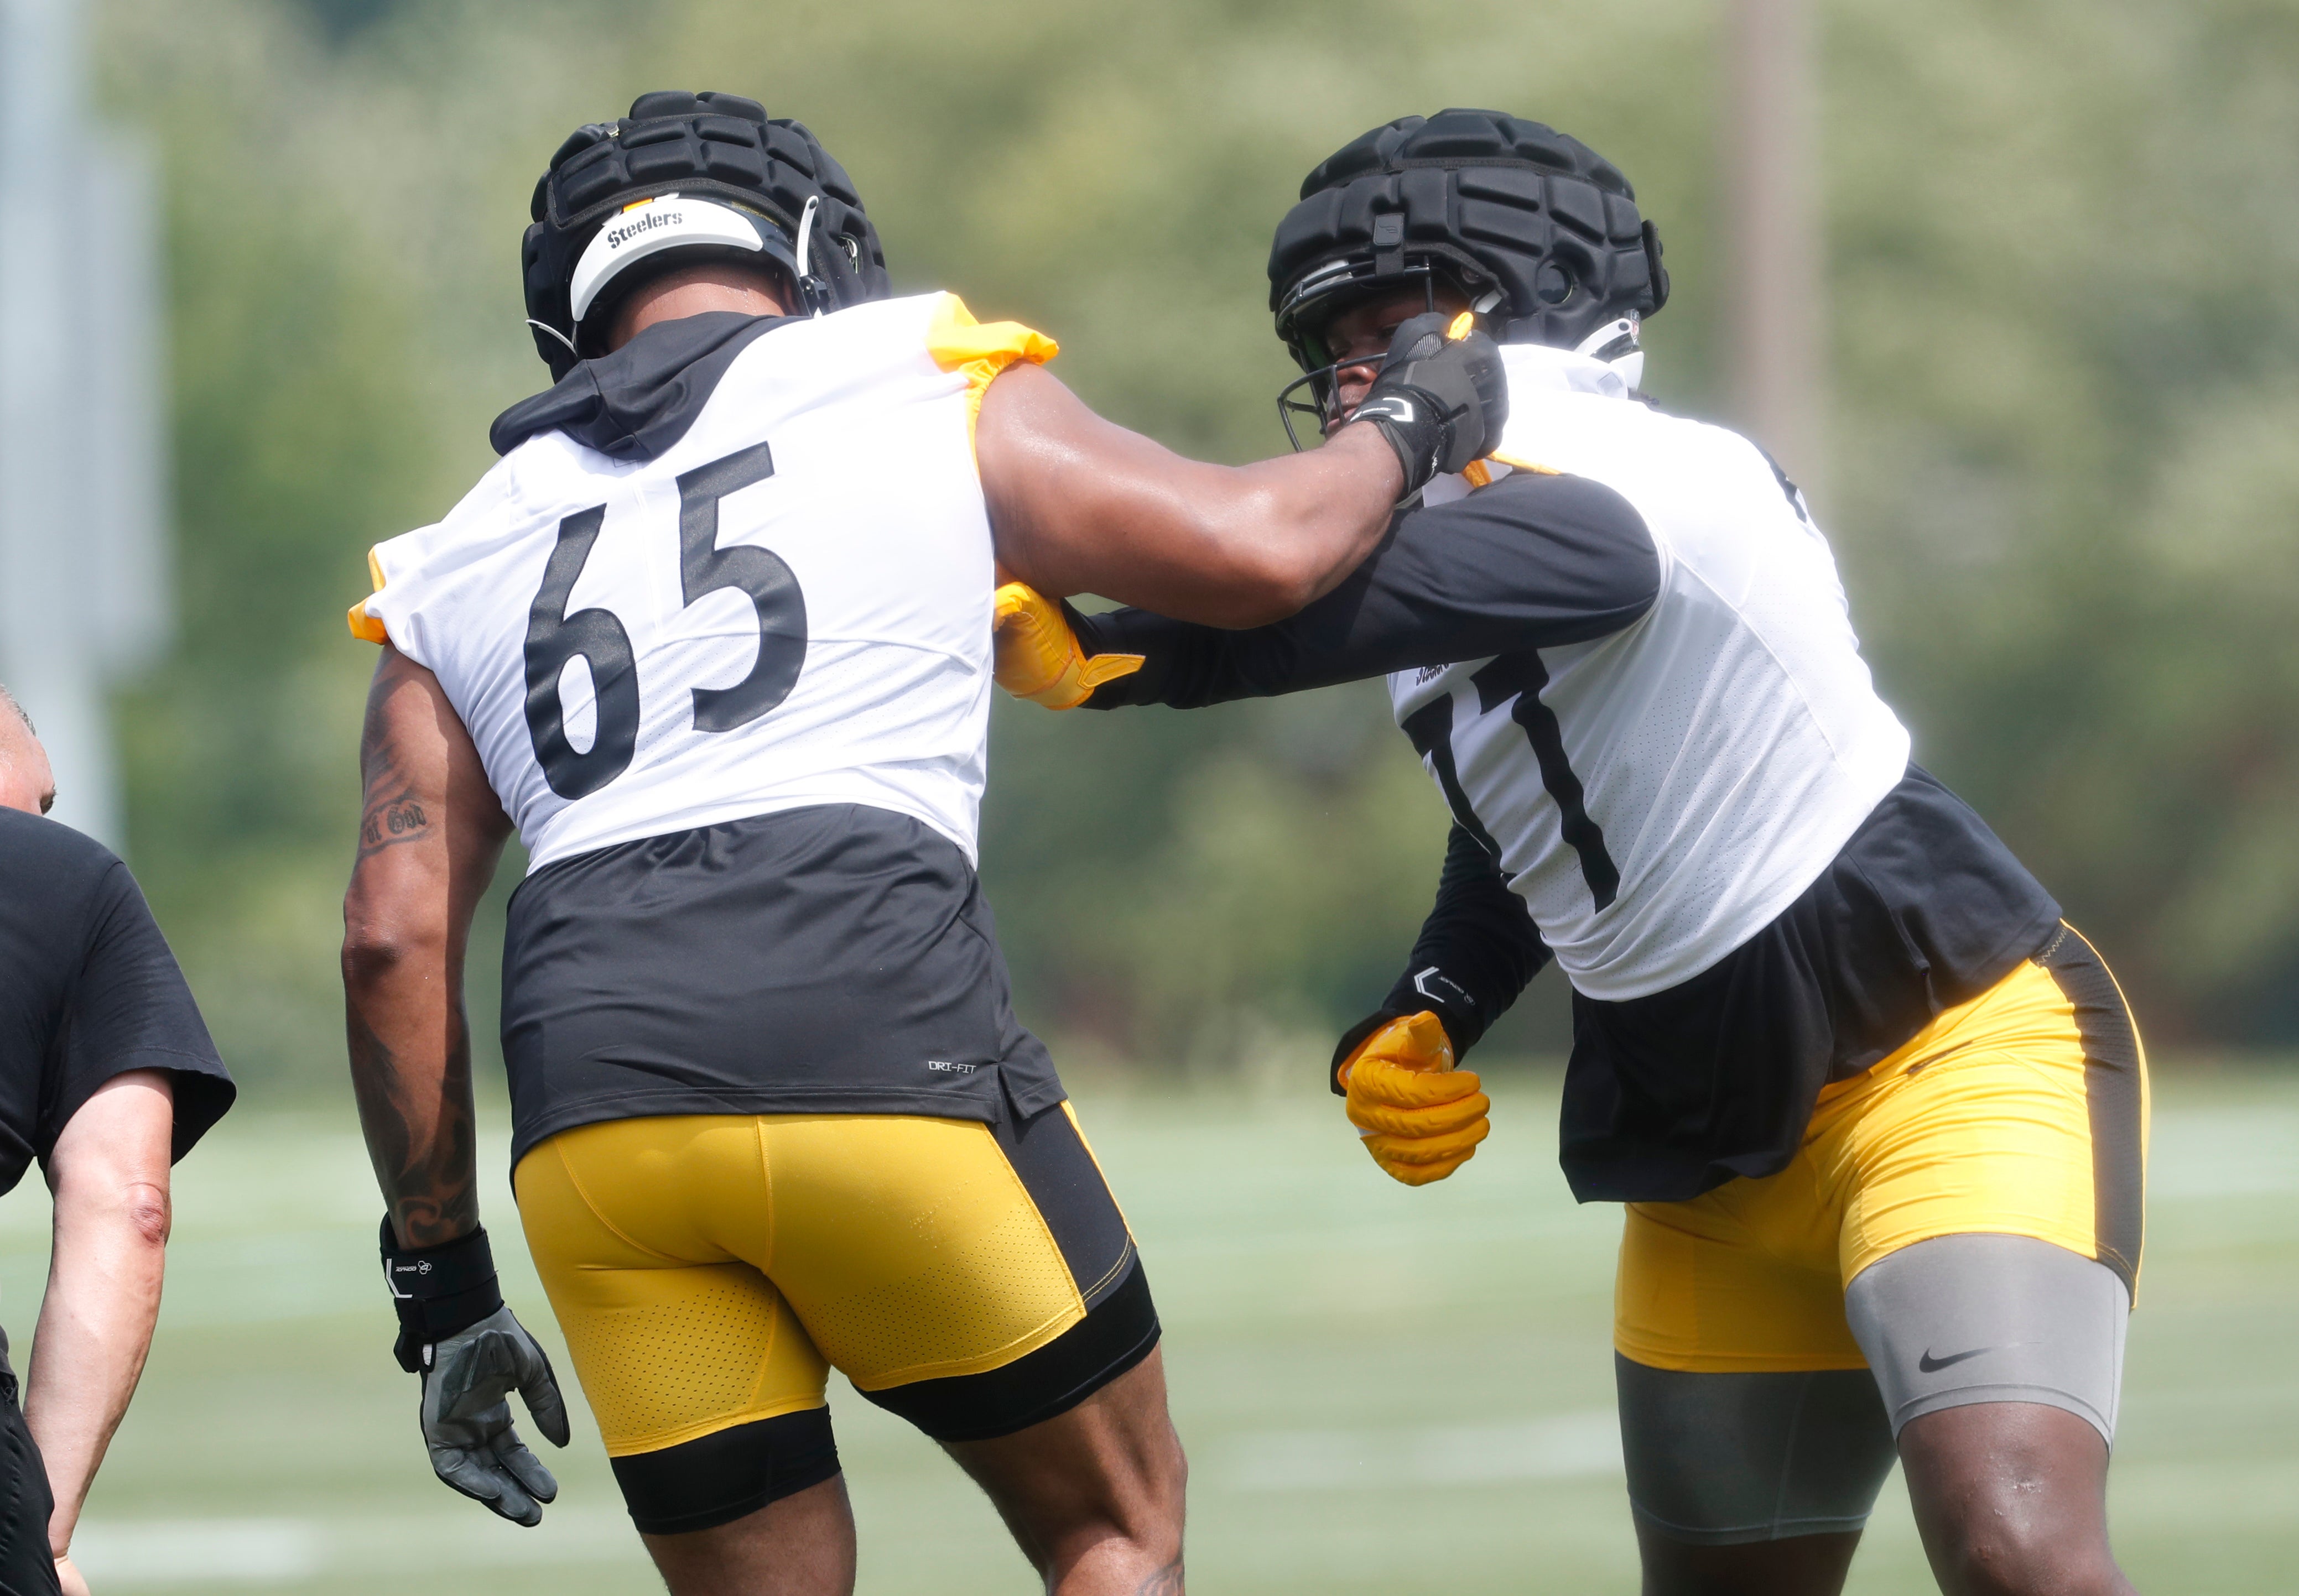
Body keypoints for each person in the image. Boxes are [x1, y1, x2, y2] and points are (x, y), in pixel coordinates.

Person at [337, 90, 1503, 1595]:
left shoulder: (457, 549)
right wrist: (1409, 420)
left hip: (598, 1109)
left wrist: (441, 1284)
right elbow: (1251, 549)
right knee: (1114, 1527)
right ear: (818, 253)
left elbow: (390, 929)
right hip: (874, 1028)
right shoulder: (910, 368)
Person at [994, 108, 2145, 1596]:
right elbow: (1537, 819)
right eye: (1332, 341)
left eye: (1384, 323)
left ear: (1506, 310)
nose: (1354, 376)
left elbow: (1522, 569)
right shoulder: (1449, 535)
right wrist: (1439, 993)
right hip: (1712, 1154)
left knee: (2014, 1546)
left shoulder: (1619, 465)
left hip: (1943, 1053)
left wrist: (1127, 647)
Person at [0, 687, 236, 1596]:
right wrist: (43, 1533)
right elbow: (126, 1205)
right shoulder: (66, 879)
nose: (47, 826)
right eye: (43, 803)